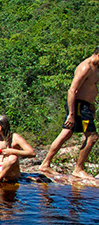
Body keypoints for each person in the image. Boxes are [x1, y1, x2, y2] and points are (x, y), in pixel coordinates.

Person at [39, 47, 99, 178]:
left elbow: (91, 88)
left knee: (66, 133)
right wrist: (71, 114)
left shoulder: (96, 68)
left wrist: (92, 105)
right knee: (92, 136)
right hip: (78, 106)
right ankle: (78, 169)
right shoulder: (86, 67)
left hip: (85, 106)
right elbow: (72, 90)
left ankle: (45, 164)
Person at [0, 114, 34, 184]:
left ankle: (0, 178)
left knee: (13, 158)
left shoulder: (15, 137)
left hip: (10, 169)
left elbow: (32, 153)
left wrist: (12, 151)